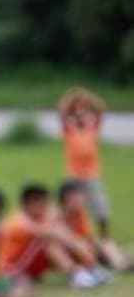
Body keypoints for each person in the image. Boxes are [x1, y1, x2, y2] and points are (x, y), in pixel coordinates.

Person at [0, 182, 107, 289]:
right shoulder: (18, 222)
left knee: (58, 234)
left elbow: (56, 221)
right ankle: (80, 273)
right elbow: (52, 232)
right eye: (43, 203)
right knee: (49, 241)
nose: (46, 207)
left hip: (26, 266)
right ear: (31, 203)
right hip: (9, 270)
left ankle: (88, 269)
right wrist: (76, 244)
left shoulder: (37, 216)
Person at [58, 86, 111, 240]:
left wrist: (86, 97)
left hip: (92, 175)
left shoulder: (92, 129)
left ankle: (105, 238)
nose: (80, 115)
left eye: (84, 112)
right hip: (74, 176)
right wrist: (72, 97)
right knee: (72, 209)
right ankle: (71, 237)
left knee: (100, 207)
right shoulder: (69, 130)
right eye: (77, 113)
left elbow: (101, 108)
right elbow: (62, 110)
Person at [57, 179, 128, 273]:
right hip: (73, 252)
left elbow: (88, 236)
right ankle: (117, 263)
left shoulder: (80, 214)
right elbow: (68, 240)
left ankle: (121, 263)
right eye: (77, 197)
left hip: (85, 249)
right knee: (98, 245)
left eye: (82, 197)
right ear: (67, 199)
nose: (82, 200)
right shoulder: (58, 215)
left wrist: (97, 245)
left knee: (105, 243)